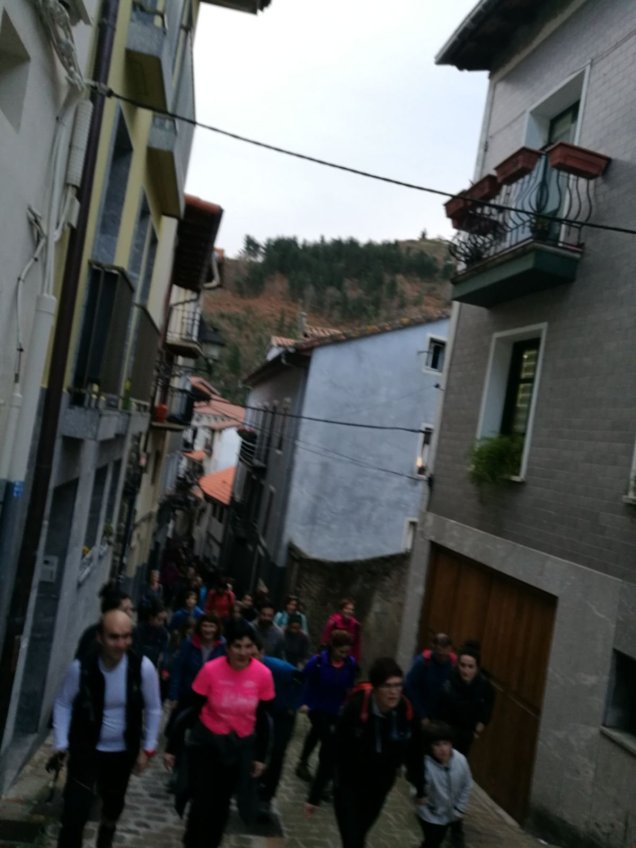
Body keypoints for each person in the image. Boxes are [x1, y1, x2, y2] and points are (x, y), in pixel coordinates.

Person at [53, 610, 162, 848]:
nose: (121, 644)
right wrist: (61, 743)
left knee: (113, 806)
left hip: (122, 752)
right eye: (114, 637)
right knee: (74, 813)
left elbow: (154, 708)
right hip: (86, 749)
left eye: (126, 636)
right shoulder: (82, 667)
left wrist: (148, 749)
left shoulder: (141, 668)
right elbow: (63, 703)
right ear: (100, 637)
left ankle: (106, 835)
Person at [164, 619, 275, 848]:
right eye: (237, 646)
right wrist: (172, 747)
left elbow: (264, 718)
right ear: (227, 647)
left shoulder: (263, 675)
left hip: (237, 748)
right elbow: (189, 710)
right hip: (207, 744)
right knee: (202, 801)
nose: (243, 652)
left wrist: (260, 756)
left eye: (248, 646)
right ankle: (192, 842)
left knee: (221, 805)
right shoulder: (211, 670)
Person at [305, 657, 425, 848]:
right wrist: (315, 794)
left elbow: (415, 752)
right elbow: (333, 751)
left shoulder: (406, 711)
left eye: (398, 685)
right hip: (348, 784)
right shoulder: (356, 709)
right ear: (376, 688)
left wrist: (421, 787)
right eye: (387, 686)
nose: (394, 692)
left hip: (379, 786)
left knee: (359, 836)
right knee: (352, 841)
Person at [433, 641, 494, 848]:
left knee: (457, 779)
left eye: (470, 666)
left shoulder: (483, 685)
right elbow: (438, 709)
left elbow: (488, 705)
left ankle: (455, 825)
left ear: (477, 668)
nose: (466, 670)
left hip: (465, 737)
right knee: (443, 777)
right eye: (463, 665)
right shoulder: (448, 682)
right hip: (446, 736)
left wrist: (480, 725)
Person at [252, 634, 305, 817]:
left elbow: (301, 680)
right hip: (262, 712)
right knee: (257, 747)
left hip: (283, 715)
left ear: (262, 653)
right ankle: (253, 784)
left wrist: (293, 705)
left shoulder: (279, 668)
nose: (251, 659)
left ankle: (266, 797)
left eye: (255, 655)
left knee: (277, 753)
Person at [295, 630, 357, 784]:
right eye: (341, 651)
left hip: (336, 707)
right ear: (333, 647)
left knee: (316, 734)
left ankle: (303, 763)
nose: (344, 655)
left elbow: (350, 686)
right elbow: (301, 680)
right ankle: (324, 776)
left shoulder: (350, 664)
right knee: (328, 740)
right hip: (316, 706)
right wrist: (303, 702)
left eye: (346, 652)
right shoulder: (317, 662)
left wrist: (348, 703)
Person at [415, 722, 472, 848]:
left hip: (450, 814)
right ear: (429, 747)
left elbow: (467, 785)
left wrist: (459, 808)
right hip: (430, 815)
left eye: (446, 743)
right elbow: (417, 792)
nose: (442, 749)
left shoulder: (460, 761)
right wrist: (426, 812)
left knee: (435, 841)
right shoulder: (425, 767)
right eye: (437, 745)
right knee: (432, 841)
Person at [168, 613, 226, 704]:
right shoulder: (189, 643)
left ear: (217, 628)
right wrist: (173, 694)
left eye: (211, 626)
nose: (208, 630)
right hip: (188, 693)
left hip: (212, 695)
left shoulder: (223, 646)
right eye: (205, 626)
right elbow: (178, 668)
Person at [404, 633, 457, 725]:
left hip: (442, 716)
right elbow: (410, 687)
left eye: (445, 654)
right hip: (421, 712)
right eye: (439, 655)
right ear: (433, 649)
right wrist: (422, 714)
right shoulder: (422, 662)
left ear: (450, 649)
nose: (443, 658)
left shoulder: (454, 664)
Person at [75, 585, 134, 662]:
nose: (130, 614)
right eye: (125, 610)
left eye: (131, 609)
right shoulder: (92, 635)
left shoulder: (134, 635)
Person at [321, 598, 361, 663]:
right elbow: (325, 640)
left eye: (351, 610)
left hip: (346, 659)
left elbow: (356, 646)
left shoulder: (355, 625)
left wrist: (355, 661)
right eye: (347, 609)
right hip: (331, 656)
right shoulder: (333, 622)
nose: (349, 611)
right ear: (341, 610)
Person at [133, 601, 168, 668]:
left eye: (164, 620)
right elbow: (136, 651)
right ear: (151, 617)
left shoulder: (163, 632)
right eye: (159, 619)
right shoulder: (139, 630)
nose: (162, 623)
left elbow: (164, 651)